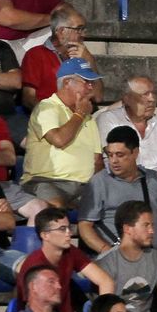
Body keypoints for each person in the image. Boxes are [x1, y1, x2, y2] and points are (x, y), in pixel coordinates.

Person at [80, 133, 157, 256]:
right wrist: (110, 254)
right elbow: (85, 226)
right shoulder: (99, 182)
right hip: (119, 258)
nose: (113, 161)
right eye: (110, 155)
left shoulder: (155, 179)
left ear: (135, 153)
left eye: (120, 155)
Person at [21, 57, 103, 207]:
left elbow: (97, 160)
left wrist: (100, 189)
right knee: (55, 205)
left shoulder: (88, 118)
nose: (91, 88)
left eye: (92, 83)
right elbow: (59, 139)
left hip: (83, 186)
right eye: (86, 82)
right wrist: (78, 114)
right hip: (47, 181)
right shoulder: (46, 107)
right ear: (66, 83)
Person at [15, 206, 114, 312]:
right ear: (45, 235)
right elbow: (34, 310)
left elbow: (105, 281)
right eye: (62, 229)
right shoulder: (34, 265)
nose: (69, 233)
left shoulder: (71, 251)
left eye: (69, 228)